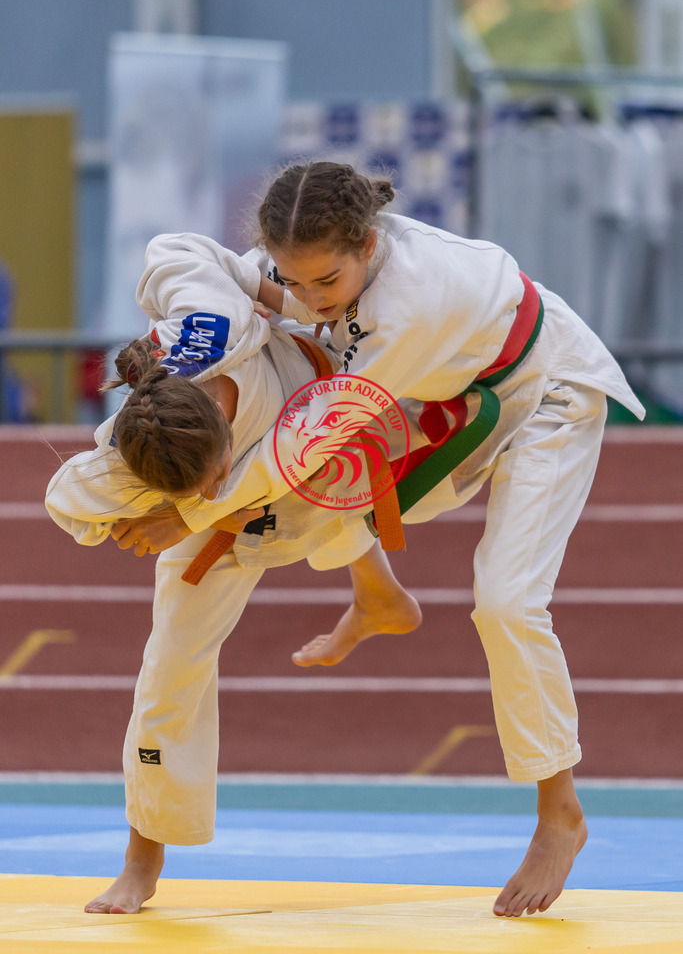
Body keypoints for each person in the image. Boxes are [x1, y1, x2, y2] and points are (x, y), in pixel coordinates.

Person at [182, 159, 644, 919]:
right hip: (465, 391)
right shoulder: (323, 264)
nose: (305, 297)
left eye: (323, 281)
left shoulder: (408, 308)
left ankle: (559, 810)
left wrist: (191, 509)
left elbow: (308, 437)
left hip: (550, 389)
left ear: (367, 244)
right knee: (321, 483)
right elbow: (273, 305)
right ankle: (376, 592)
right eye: (290, 279)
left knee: (504, 601)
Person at [45, 239, 422, 915]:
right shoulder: (121, 458)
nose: (213, 486)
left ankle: (376, 592)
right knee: (167, 678)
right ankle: (142, 859)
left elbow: (178, 245)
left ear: (220, 431)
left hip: (313, 418)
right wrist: (165, 510)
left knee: (329, 484)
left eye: (214, 476)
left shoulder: (212, 319)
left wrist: (267, 294)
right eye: (197, 490)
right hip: (224, 537)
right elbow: (64, 503)